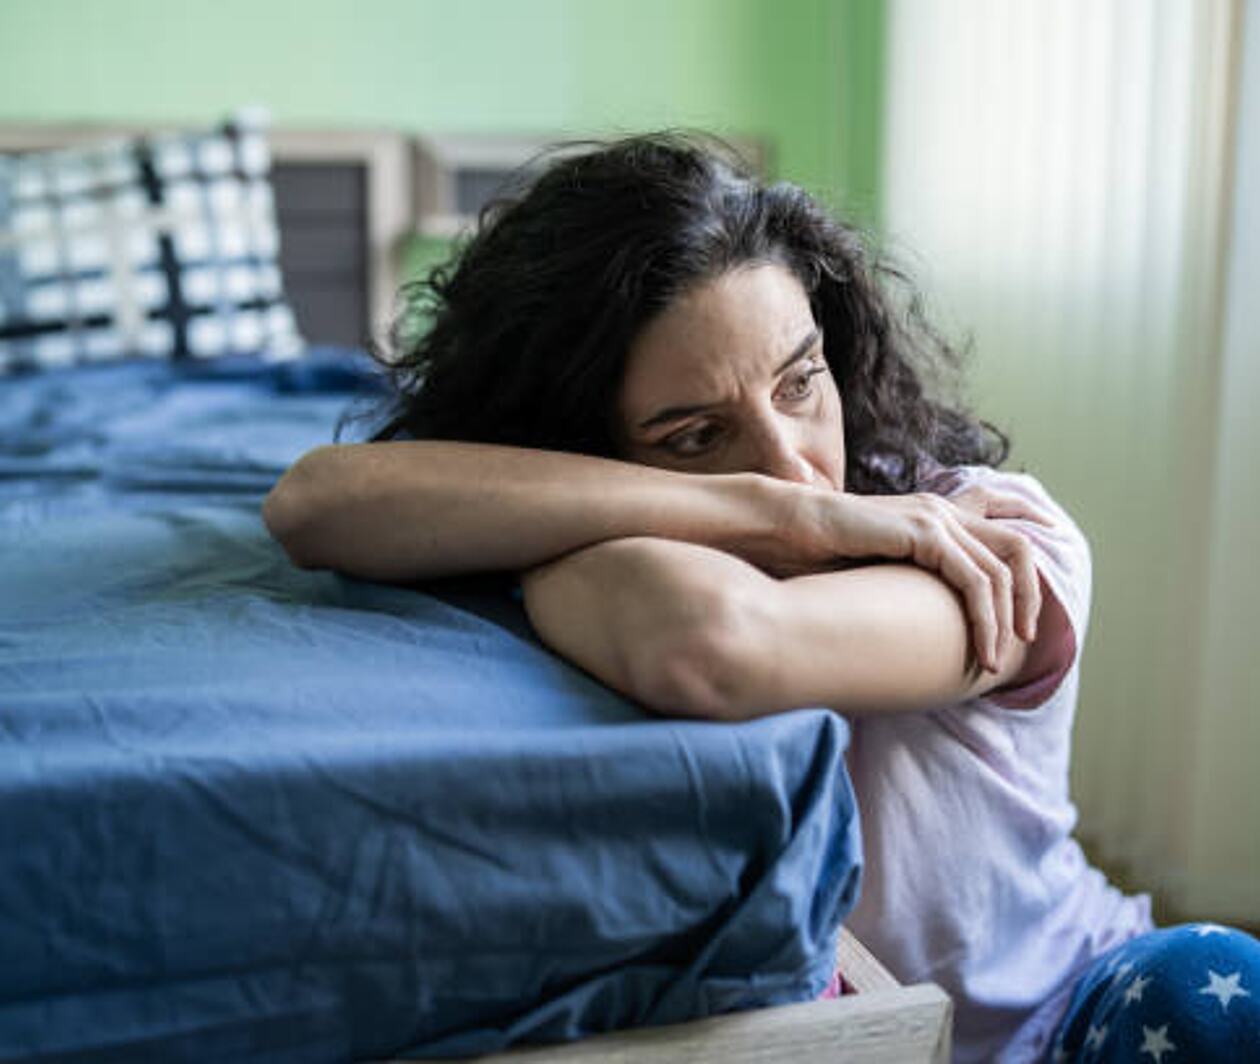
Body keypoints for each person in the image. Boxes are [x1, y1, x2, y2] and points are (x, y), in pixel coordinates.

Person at [263, 134, 1259, 1062]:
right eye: (695, 433)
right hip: (840, 1031)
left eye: (799, 381)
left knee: (1209, 990)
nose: (791, 470)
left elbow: (714, 641)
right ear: (585, 446)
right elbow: (314, 501)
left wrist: (648, 509)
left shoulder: (991, 541)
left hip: (1071, 1009)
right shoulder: (725, 519)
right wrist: (766, 516)